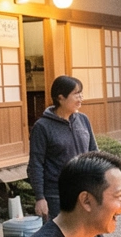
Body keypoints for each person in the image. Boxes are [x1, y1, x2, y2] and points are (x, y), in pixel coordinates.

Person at [29, 75, 98, 220]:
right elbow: (35, 165)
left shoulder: (83, 120)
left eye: (81, 93)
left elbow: (94, 153)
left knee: (85, 236)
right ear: (60, 98)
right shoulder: (42, 127)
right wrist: (40, 198)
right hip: (56, 195)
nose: (81, 98)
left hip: (83, 192)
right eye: (76, 94)